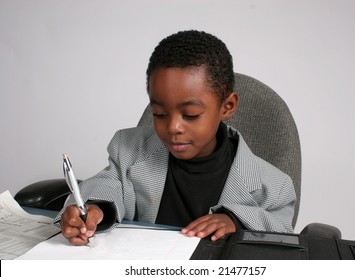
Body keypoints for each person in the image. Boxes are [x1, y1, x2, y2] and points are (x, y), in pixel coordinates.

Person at [55, 30, 296, 246]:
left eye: (191, 115)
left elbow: (281, 232)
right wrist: (96, 209)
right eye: (159, 113)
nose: (173, 127)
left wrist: (236, 220)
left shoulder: (275, 187)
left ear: (227, 106)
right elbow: (109, 184)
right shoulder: (128, 149)